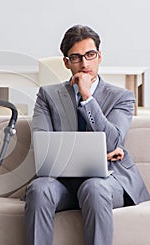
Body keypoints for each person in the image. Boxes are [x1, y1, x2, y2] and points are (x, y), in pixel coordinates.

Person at [24, 24, 150, 245]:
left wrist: (86, 97)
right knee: (39, 189)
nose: (84, 64)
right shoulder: (47, 96)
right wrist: (100, 154)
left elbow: (112, 141)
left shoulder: (122, 97)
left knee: (93, 187)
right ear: (66, 62)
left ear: (99, 56)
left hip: (108, 180)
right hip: (61, 183)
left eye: (90, 55)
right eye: (76, 57)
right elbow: (43, 146)